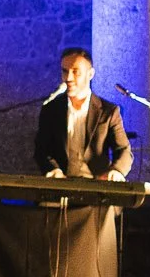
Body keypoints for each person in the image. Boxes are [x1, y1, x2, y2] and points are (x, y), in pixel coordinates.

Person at [34, 48, 133, 181]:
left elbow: (123, 150)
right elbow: (41, 150)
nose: (68, 78)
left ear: (90, 74)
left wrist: (116, 171)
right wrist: (53, 169)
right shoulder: (51, 109)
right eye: (65, 71)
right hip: (60, 184)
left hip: (97, 186)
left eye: (76, 72)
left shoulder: (108, 111)